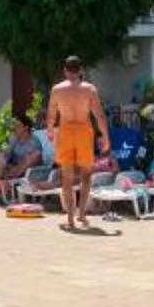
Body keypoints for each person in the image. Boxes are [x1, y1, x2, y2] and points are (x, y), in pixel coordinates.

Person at [45, 55, 108, 234]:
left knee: (66, 177)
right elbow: (99, 115)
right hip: (83, 131)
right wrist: (105, 137)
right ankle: (81, 213)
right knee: (86, 175)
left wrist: (50, 129)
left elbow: (51, 113)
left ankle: (70, 217)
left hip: (65, 131)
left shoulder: (57, 89)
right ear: (81, 70)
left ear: (65, 70)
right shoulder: (89, 89)